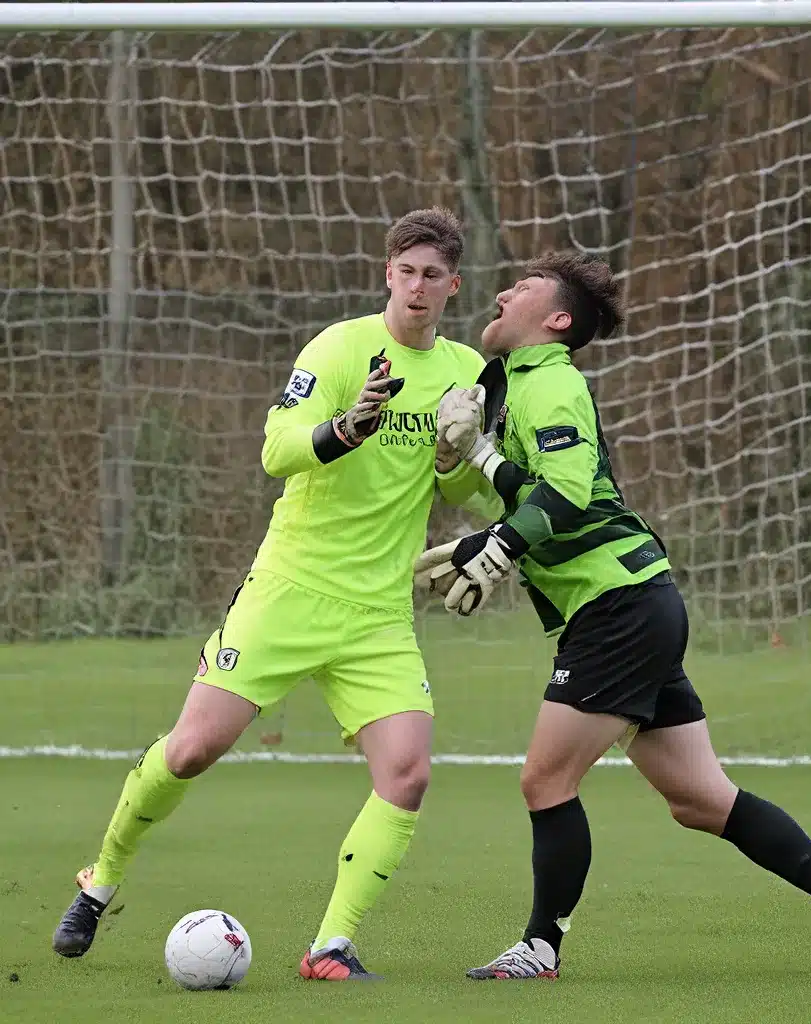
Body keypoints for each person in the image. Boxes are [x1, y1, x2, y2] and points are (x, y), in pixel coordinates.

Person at [416, 251, 811, 982]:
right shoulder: (517, 386)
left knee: (544, 782)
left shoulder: (551, 382)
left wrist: (503, 544)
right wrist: (474, 466)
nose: (501, 294)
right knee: (700, 800)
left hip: (615, 608)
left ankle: (539, 949)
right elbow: (526, 499)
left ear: (556, 321)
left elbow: (566, 498)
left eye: (520, 290)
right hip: (635, 602)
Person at [53, 207, 490, 981]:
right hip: (289, 590)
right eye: (406, 272)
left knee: (409, 774)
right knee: (190, 752)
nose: (418, 288)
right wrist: (345, 430)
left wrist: (460, 458)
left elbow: (460, 490)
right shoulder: (342, 348)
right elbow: (277, 451)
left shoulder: (465, 373)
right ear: (386, 274)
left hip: (379, 613)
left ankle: (330, 946)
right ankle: (102, 878)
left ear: (453, 286)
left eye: (433, 276)